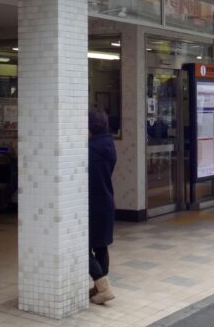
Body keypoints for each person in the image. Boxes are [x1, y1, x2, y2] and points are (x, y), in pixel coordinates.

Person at [88, 109, 117, 305]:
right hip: (106, 201)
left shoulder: (89, 150)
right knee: (100, 246)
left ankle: (104, 287)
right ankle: (99, 288)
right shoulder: (109, 145)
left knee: (82, 248)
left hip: (92, 204)